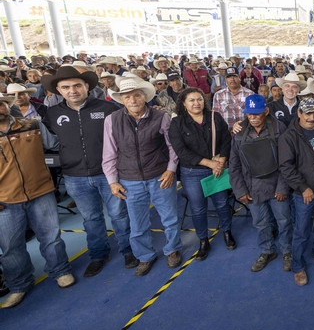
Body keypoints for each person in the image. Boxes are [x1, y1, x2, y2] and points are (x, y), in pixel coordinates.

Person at [43, 66, 135, 277]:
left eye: (76, 85)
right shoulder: (53, 113)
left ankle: (129, 251)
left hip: (108, 175)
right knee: (91, 218)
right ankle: (98, 254)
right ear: (58, 90)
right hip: (74, 177)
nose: (72, 90)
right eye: (65, 87)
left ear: (86, 86)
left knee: (119, 214)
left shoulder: (107, 109)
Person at [102, 77, 183, 276]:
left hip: (159, 175)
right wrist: (112, 181)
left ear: (144, 97)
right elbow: (109, 153)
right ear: (121, 99)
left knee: (169, 217)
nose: (132, 100)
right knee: (137, 223)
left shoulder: (161, 117)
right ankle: (145, 256)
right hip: (130, 179)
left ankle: (172, 250)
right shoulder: (112, 120)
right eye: (127, 96)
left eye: (136, 95)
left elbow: (173, 146)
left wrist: (171, 169)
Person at [0, 97, 75, 309]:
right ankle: (18, 285)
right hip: (5, 198)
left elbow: (56, 145)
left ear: (7, 105)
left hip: (40, 190)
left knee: (51, 236)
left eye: (1, 103)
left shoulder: (32, 125)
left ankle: (60, 271)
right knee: (10, 246)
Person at [169, 88, 235, 261]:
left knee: (222, 203)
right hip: (192, 173)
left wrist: (221, 160)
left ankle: (227, 232)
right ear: (183, 103)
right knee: (198, 208)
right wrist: (210, 163)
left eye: (199, 99)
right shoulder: (177, 123)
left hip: (217, 169)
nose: (196, 103)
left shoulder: (215, 117)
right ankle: (203, 240)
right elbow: (181, 151)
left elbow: (227, 141)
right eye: (191, 100)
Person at [229, 94, 292, 272]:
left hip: (276, 185)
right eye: (250, 114)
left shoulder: (279, 128)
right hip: (252, 187)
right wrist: (240, 190)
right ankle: (267, 250)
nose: (253, 117)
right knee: (260, 222)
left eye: (257, 113)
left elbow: (287, 161)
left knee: (284, 221)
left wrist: (282, 187)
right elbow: (234, 165)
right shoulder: (239, 132)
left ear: (266, 111)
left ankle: (287, 250)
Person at [278, 98, 314, 286]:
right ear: (299, 114)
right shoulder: (289, 136)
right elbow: (286, 167)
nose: (311, 117)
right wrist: (303, 187)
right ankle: (298, 266)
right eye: (307, 114)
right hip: (305, 190)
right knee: (301, 229)